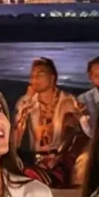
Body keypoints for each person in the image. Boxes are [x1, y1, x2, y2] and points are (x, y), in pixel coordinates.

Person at [12, 57, 89, 187]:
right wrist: (24, 107)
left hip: (61, 160)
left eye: (40, 75)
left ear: (52, 78)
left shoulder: (69, 102)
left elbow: (78, 135)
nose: (35, 79)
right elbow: (15, 140)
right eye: (32, 76)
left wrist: (58, 156)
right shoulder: (27, 102)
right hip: (35, 159)